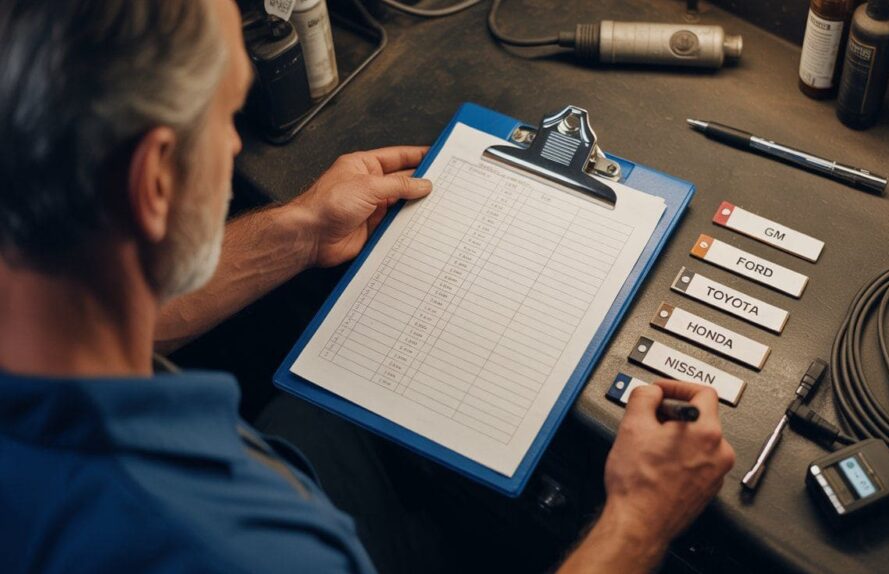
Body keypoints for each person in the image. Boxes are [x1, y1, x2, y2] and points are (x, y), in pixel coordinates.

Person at [0, 1, 735, 572]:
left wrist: (298, 231)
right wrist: (638, 520)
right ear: (153, 181)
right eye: (225, 117)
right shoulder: (240, 550)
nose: (231, 144)